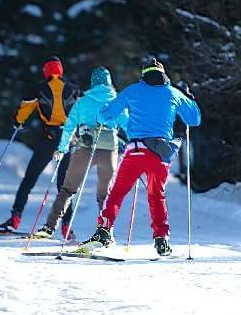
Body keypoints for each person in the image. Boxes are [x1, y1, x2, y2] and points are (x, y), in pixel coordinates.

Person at [84, 58, 201, 256]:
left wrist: (100, 116)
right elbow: (194, 119)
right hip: (160, 154)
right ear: (163, 74)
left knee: (118, 192)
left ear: (144, 74)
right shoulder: (173, 93)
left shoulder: (133, 90)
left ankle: (104, 231)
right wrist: (190, 99)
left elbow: (106, 115)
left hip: (136, 151)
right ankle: (161, 239)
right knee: (156, 195)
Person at [32, 66, 128, 241]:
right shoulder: (117, 101)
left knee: (68, 189)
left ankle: (49, 226)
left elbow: (69, 127)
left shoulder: (83, 101)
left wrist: (61, 148)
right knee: (104, 194)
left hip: (84, 147)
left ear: (93, 82)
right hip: (108, 150)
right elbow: (128, 125)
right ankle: (105, 232)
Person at [0, 56, 83, 237]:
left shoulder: (39, 89)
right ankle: (66, 226)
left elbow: (24, 109)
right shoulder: (74, 89)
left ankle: (15, 218)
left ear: (46, 71)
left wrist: (17, 122)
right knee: (64, 186)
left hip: (48, 138)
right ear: (60, 71)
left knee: (29, 179)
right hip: (68, 140)